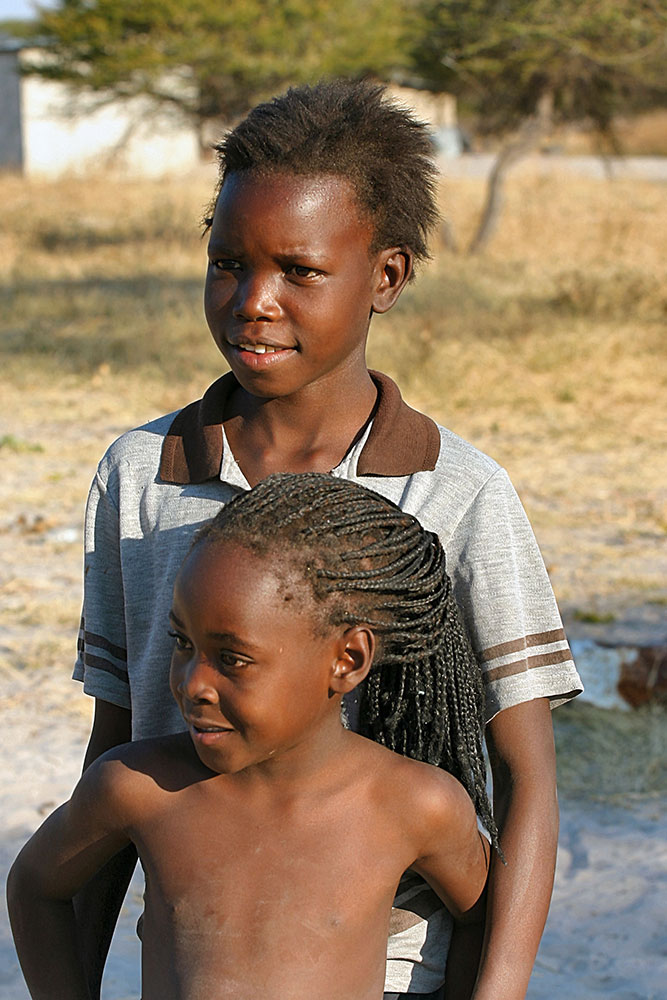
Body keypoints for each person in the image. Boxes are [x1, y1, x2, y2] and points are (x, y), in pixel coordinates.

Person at [72, 80, 582, 999]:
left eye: (298, 271)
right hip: (203, 953)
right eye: (227, 262)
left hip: (390, 968)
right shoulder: (139, 476)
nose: (253, 300)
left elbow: (528, 777)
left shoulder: (457, 492)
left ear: (385, 277)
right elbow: (116, 744)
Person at [9, 475, 494, 1000]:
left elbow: (481, 920)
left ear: (348, 659)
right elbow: (36, 886)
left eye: (232, 659)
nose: (193, 684)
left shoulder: (415, 804)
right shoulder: (138, 788)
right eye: (182, 642)